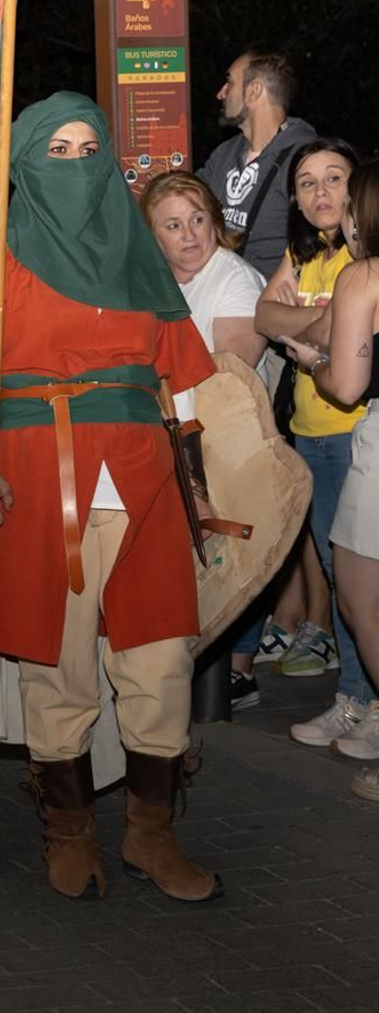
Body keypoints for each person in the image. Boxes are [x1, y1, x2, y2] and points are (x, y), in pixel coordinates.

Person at [0, 93, 220, 903]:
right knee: (59, 667)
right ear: (23, 163)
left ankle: (152, 838)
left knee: (162, 661)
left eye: (93, 149)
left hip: (144, 478)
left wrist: (198, 475)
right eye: (60, 150)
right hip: (39, 474)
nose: (79, 165)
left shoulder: (135, 246)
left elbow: (177, 379)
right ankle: (69, 833)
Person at [256, 138, 377, 755]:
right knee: (341, 576)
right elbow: (260, 314)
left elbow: (307, 331)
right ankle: (356, 700)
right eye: (307, 183)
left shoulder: (361, 260)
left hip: (349, 432)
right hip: (308, 431)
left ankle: (361, 703)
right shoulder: (304, 255)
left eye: (335, 178)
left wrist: (308, 331)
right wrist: (317, 327)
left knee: (355, 581)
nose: (321, 192)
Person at [139, 170, 271, 707]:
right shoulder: (153, 280)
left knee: (240, 554)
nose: (190, 235)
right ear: (153, 235)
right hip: (176, 437)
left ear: (215, 221)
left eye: (198, 220)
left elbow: (230, 371)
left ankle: (238, 669)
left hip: (230, 440)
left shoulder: (233, 278)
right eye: (173, 225)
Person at [198, 50, 316, 279]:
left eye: (229, 82)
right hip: (221, 294)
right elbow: (183, 200)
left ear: (254, 91)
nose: (221, 93)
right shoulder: (224, 154)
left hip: (269, 305)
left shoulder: (306, 160)